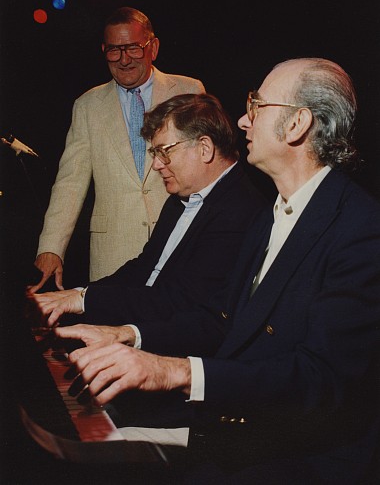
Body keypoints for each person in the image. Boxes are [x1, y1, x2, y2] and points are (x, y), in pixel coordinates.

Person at [63, 58, 380, 483]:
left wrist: (172, 371)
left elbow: (318, 379)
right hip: (244, 430)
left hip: (301, 457)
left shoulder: (359, 228)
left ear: (297, 124)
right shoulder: (270, 216)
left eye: (257, 105)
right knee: (87, 451)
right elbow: (220, 319)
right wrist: (127, 336)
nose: (243, 120)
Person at [28, 93, 269, 357]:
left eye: (164, 152)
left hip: (176, 353)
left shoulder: (240, 210)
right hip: (146, 327)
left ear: (204, 148)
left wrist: (83, 301)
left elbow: (181, 302)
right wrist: (78, 294)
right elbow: (145, 268)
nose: (155, 165)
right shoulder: (183, 197)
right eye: (155, 153)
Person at [30, 7, 205, 292]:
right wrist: (51, 247)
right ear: (104, 50)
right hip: (113, 256)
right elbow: (69, 182)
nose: (124, 60)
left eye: (134, 48)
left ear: (153, 47)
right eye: (114, 50)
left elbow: (210, 172)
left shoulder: (190, 92)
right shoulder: (87, 106)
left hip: (181, 247)